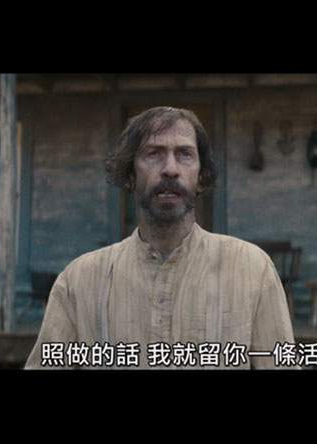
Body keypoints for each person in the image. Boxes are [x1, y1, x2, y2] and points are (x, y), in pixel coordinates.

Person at [25, 106, 295, 369]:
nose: (170, 169)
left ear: (201, 177)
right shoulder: (79, 281)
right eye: (154, 154)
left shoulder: (252, 270)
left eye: (184, 154)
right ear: (130, 175)